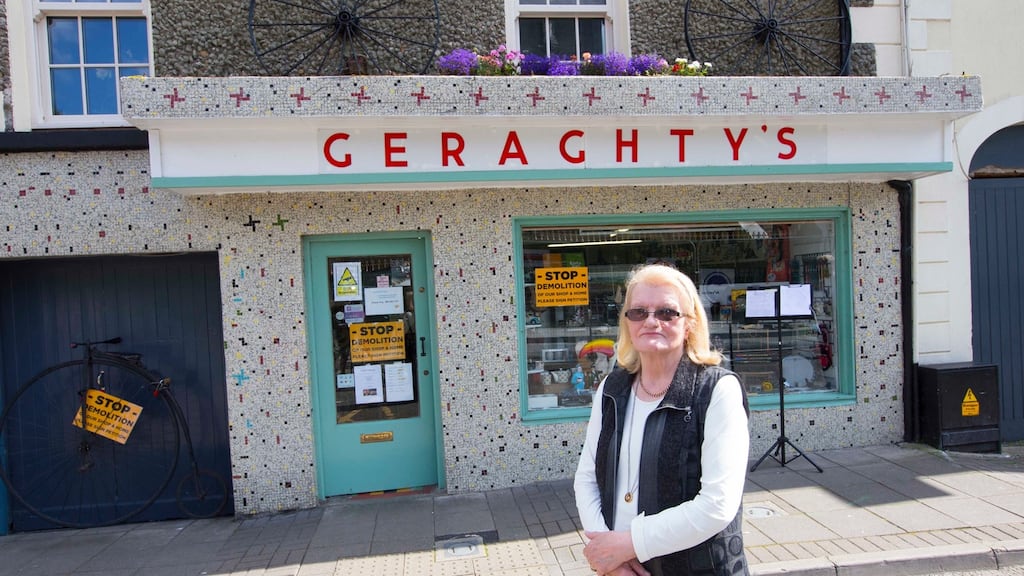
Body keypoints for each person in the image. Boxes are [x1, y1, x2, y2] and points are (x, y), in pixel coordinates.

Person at [574, 263, 750, 576]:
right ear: (627, 323)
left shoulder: (716, 390)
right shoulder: (611, 389)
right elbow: (587, 479)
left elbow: (716, 505)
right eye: (639, 312)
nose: (651, 321)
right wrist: (609, 558)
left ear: (690, 324)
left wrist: (627, 546)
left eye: (667, 312)